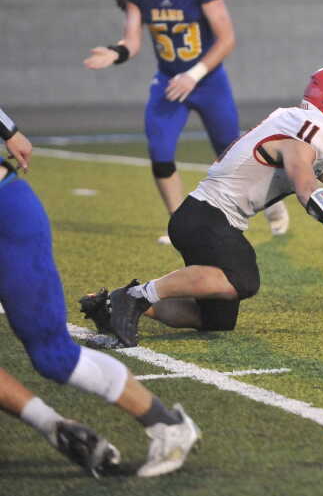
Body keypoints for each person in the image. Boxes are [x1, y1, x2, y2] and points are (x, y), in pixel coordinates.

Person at [80, 67, 323, 347]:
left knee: (214, 320)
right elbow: (304, 186)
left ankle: (115, 301)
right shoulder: (308, 130)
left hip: (205, 218)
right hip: (207, 216)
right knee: (242, 280)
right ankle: (137, 298)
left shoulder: (305, 128)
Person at [0, 110, 200, 477]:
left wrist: (8, 129)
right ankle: (53, 426)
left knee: (54, 356)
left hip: (6, 218)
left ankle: (168, 425)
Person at [83, 0, 289, 240]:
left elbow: (226, 39)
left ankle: (270, 201)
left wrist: (193, 75)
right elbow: (133, 39)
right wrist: (116, 52)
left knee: (230, 152)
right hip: (168, 81)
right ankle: (182, 225)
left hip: (207, 81)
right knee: (160, 149)